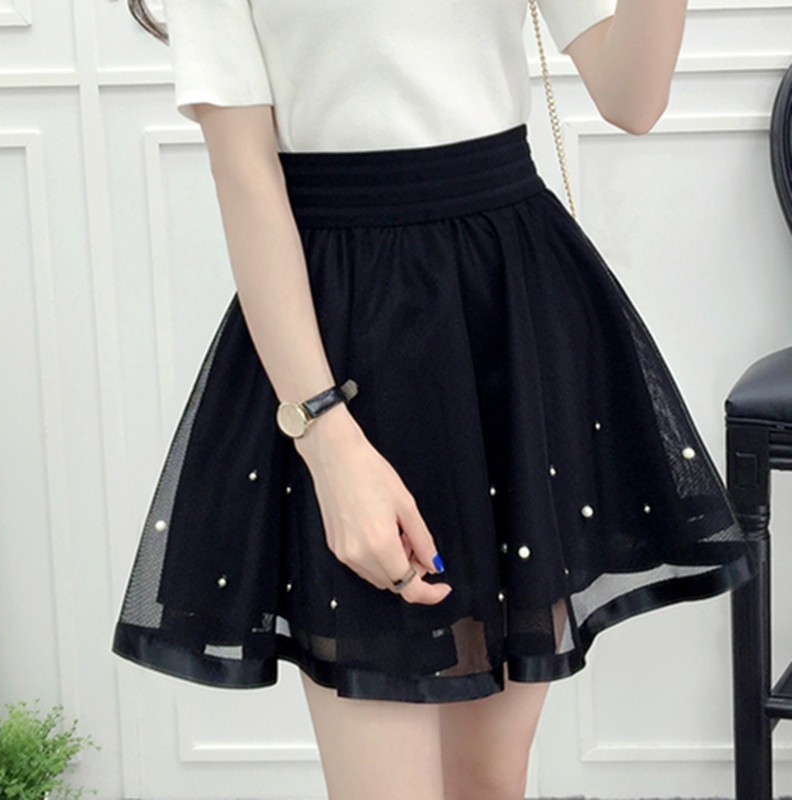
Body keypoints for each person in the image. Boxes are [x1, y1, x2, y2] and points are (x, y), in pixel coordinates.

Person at [111, 2, 758, 798]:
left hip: (507, 314)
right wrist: (326, 437)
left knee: (489, 780)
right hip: (342, 338)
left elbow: (633, 96)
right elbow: (244, 173)